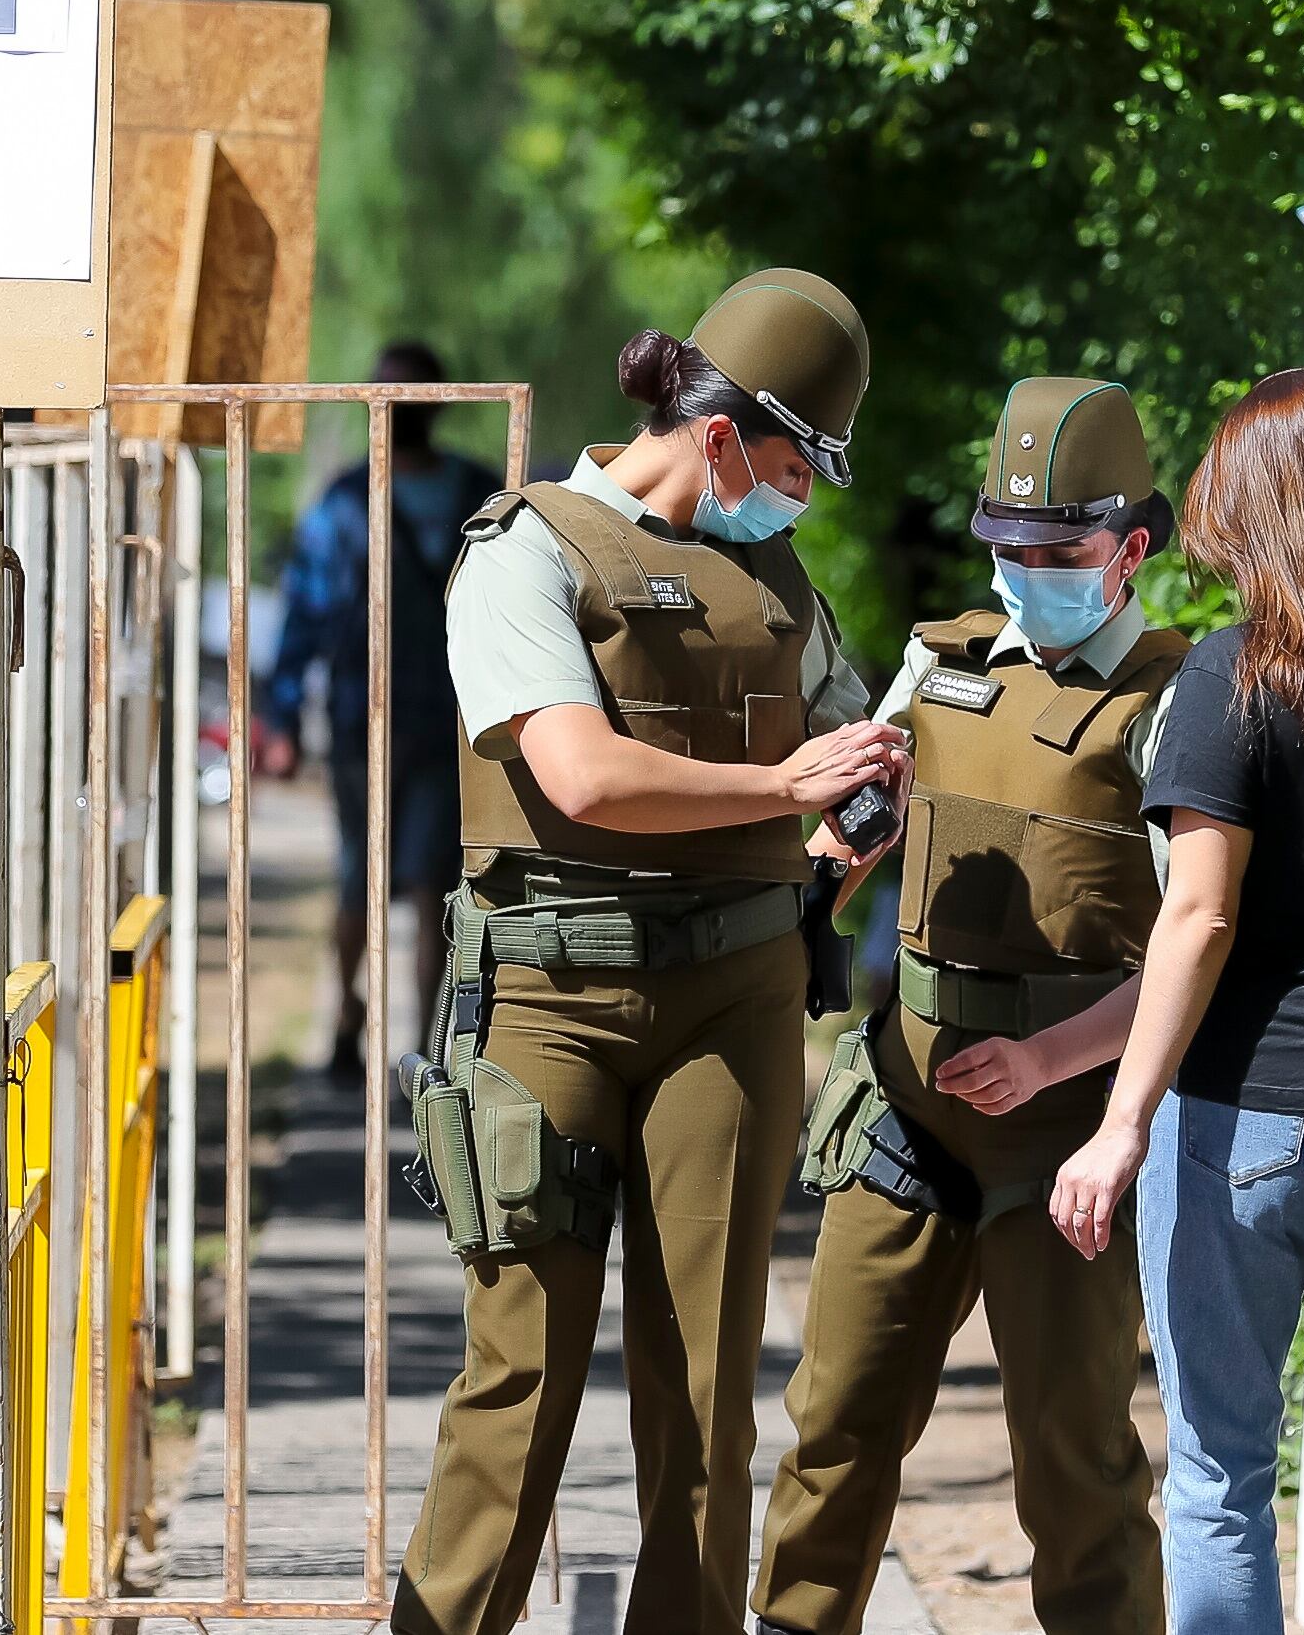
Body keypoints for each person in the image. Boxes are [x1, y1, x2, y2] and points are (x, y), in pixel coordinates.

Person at [935, 369, 1304, 1635]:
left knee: (1219, 1473)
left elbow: (1199, 919)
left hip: (1250, 1116)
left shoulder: (1233, 676)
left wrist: (1120, 1120)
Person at [395, 269, 907, 1635]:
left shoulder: (775, 582)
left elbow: (841, 761)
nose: (797, 499)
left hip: (732, 1003)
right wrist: (787, 789)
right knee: (520, 1379)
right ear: (724, 434)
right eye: (793, 465)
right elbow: (582, 777)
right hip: (549, 999)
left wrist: (856, 803)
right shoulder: (526, 550)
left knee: (703, 1395)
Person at [754, 378, 1183, 1635]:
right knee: (834, 1425)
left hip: (1067, 1133)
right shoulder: (938, 668)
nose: (1025, 574)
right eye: (1008, 548)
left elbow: (1196, 944)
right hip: (905, 1104)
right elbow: (851, 832)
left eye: (1057, 552)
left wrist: (1053, 1061)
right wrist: (818, 870)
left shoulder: (1175, 702)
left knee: (1075, 1464)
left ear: (1130, 549)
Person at [263, 341, 497, 1078]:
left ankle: (427, 1043)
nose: (395, 409)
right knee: (358, 877)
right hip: (364, 720)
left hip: (455, 724)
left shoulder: (481, 494)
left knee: (433, 881)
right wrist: (280, 710)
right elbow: (304, 610)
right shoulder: (344, 501)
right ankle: (346, 1021)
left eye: (407, 395)